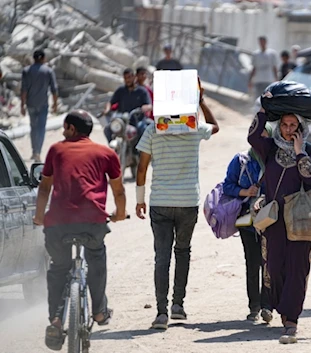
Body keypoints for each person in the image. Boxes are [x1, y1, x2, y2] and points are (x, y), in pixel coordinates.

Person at [32, 110, 127, 351]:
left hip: (58, 223)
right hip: (92, 221)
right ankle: (98, 312)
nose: (63, 132)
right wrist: (118, 214)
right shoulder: (106, 153)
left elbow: (44, 190)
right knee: (96, 260)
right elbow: (118, 191)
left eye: (65, 128)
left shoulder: (56, 150)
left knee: (58, 268)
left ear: (72, 129)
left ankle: (55, 319)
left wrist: (39, 216)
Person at [135, 81, 219, 329]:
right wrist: (201, 100)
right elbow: (215, 127)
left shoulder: (153, 129)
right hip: (187, 203)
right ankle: (178, 306)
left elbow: (141, 169)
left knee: (162, 257)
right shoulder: (194, 129)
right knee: (182, 252)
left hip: (160, 203)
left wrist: (140, 200)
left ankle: (161, 313)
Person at [247, 108, 311, 344]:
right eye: (285, 125)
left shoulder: (310, 150)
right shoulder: (270, 148)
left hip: (302, 221)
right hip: (274, 220)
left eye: (293, 126)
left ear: (300, 129)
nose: (289, 130)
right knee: (274, 267)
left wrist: (299, 153)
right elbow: (253, 137)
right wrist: (263, 112)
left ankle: (292, 320)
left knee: (297, 267)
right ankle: (283, 309)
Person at [222, 124, 274, 323]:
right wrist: (245, 192)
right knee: (252, 262)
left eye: (265, 135)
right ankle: (254, 306)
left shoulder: (275, 160)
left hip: (270, 218)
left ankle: (267, 306)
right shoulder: (241, 160)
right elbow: (228, 185)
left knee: (269, 263)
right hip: (246, 218)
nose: (261, 139)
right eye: (258, 135)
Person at [21, 49, 58, 162]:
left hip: (30, 104)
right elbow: (54, 89)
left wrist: (22, 105)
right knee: (41, 128)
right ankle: (38, 152)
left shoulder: (26, 71)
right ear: (43, 58)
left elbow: (24, 90)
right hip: (43, 104)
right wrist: (55, 104)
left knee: (33, 127)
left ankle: (34, 151)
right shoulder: (48, 71)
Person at [103, 68, 152, 142]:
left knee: (142, 129)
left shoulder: (142, 91)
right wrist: (107, 109)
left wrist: (145, 107)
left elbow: (149, 105)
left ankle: (139, 151)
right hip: (123, 119)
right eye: (125, 78)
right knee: (108, 129)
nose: (127, 80)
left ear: (134, 77)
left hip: (137, 119)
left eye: (129, 77)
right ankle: (112, 148)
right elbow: (110, 102)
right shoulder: (121, 90)